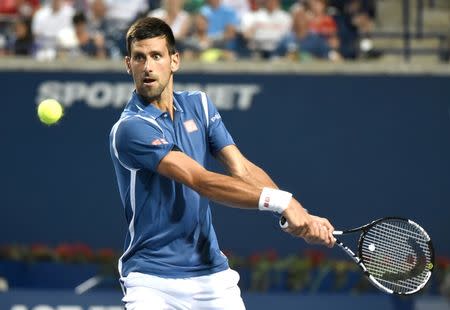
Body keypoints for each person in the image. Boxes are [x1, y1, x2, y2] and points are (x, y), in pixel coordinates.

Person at [109, 16, 335, 309]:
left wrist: (298, 211)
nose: (148, 67)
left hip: (212, 277)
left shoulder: (199, 105)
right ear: (129, 65)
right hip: (152, 281)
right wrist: (282, 203)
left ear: (174, 60)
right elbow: (200, 180)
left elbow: (241, 168)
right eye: (139, 58)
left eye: (156, 56)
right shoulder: (131, 128)